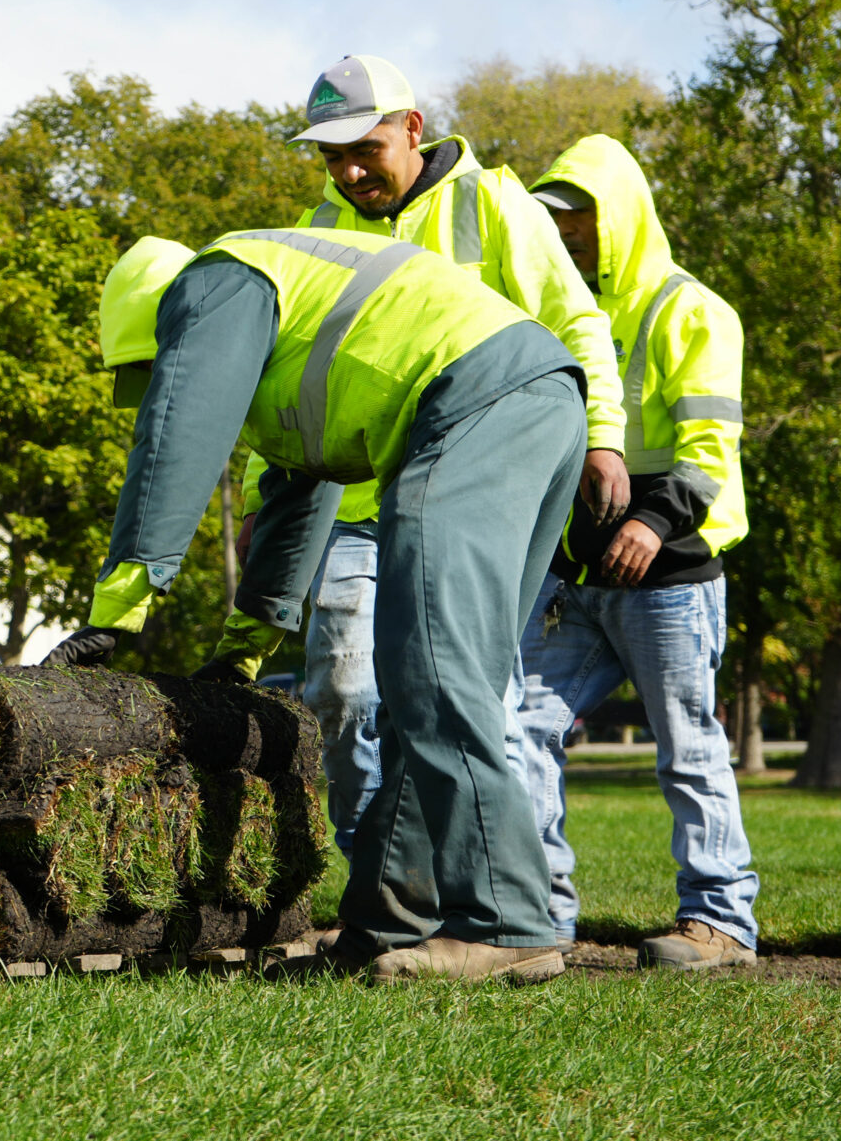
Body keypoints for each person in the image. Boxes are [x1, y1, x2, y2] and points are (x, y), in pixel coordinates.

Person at [47, 223, 585, 982]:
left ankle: (507, 923)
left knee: (435, 672)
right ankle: (384, 926)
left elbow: (175, 435)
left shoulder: (218, 281)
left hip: (475, 400)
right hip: (536, 399)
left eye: (160, 364)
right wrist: (243, 649)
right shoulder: (290, 343)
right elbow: (300, 497)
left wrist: (117, 607)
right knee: (427, 685)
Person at [237, 56, 628, 859]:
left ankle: (504, 886)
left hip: (472, 501)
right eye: (331, 157)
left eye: (365, 150)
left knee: (476, 700)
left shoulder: (494, 205)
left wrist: (603, 433)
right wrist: (257, 502)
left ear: (412, 129)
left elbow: (575, 322)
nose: (349, 173)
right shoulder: (317, 229)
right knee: (343, 690)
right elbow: (282, 379)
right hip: (354, 506)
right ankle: (378, 878)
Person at [504, 133, 759, 971]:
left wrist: (650, 524)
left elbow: (710, 453)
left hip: (671, 573)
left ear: (619, 217)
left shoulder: (692, 309)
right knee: (517, 729)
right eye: (554, 219)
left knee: (688, 746)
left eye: (578, 216)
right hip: (574, 577)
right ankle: (538, 917)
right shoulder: (561, 311)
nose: (565, 232)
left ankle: (721, 921)